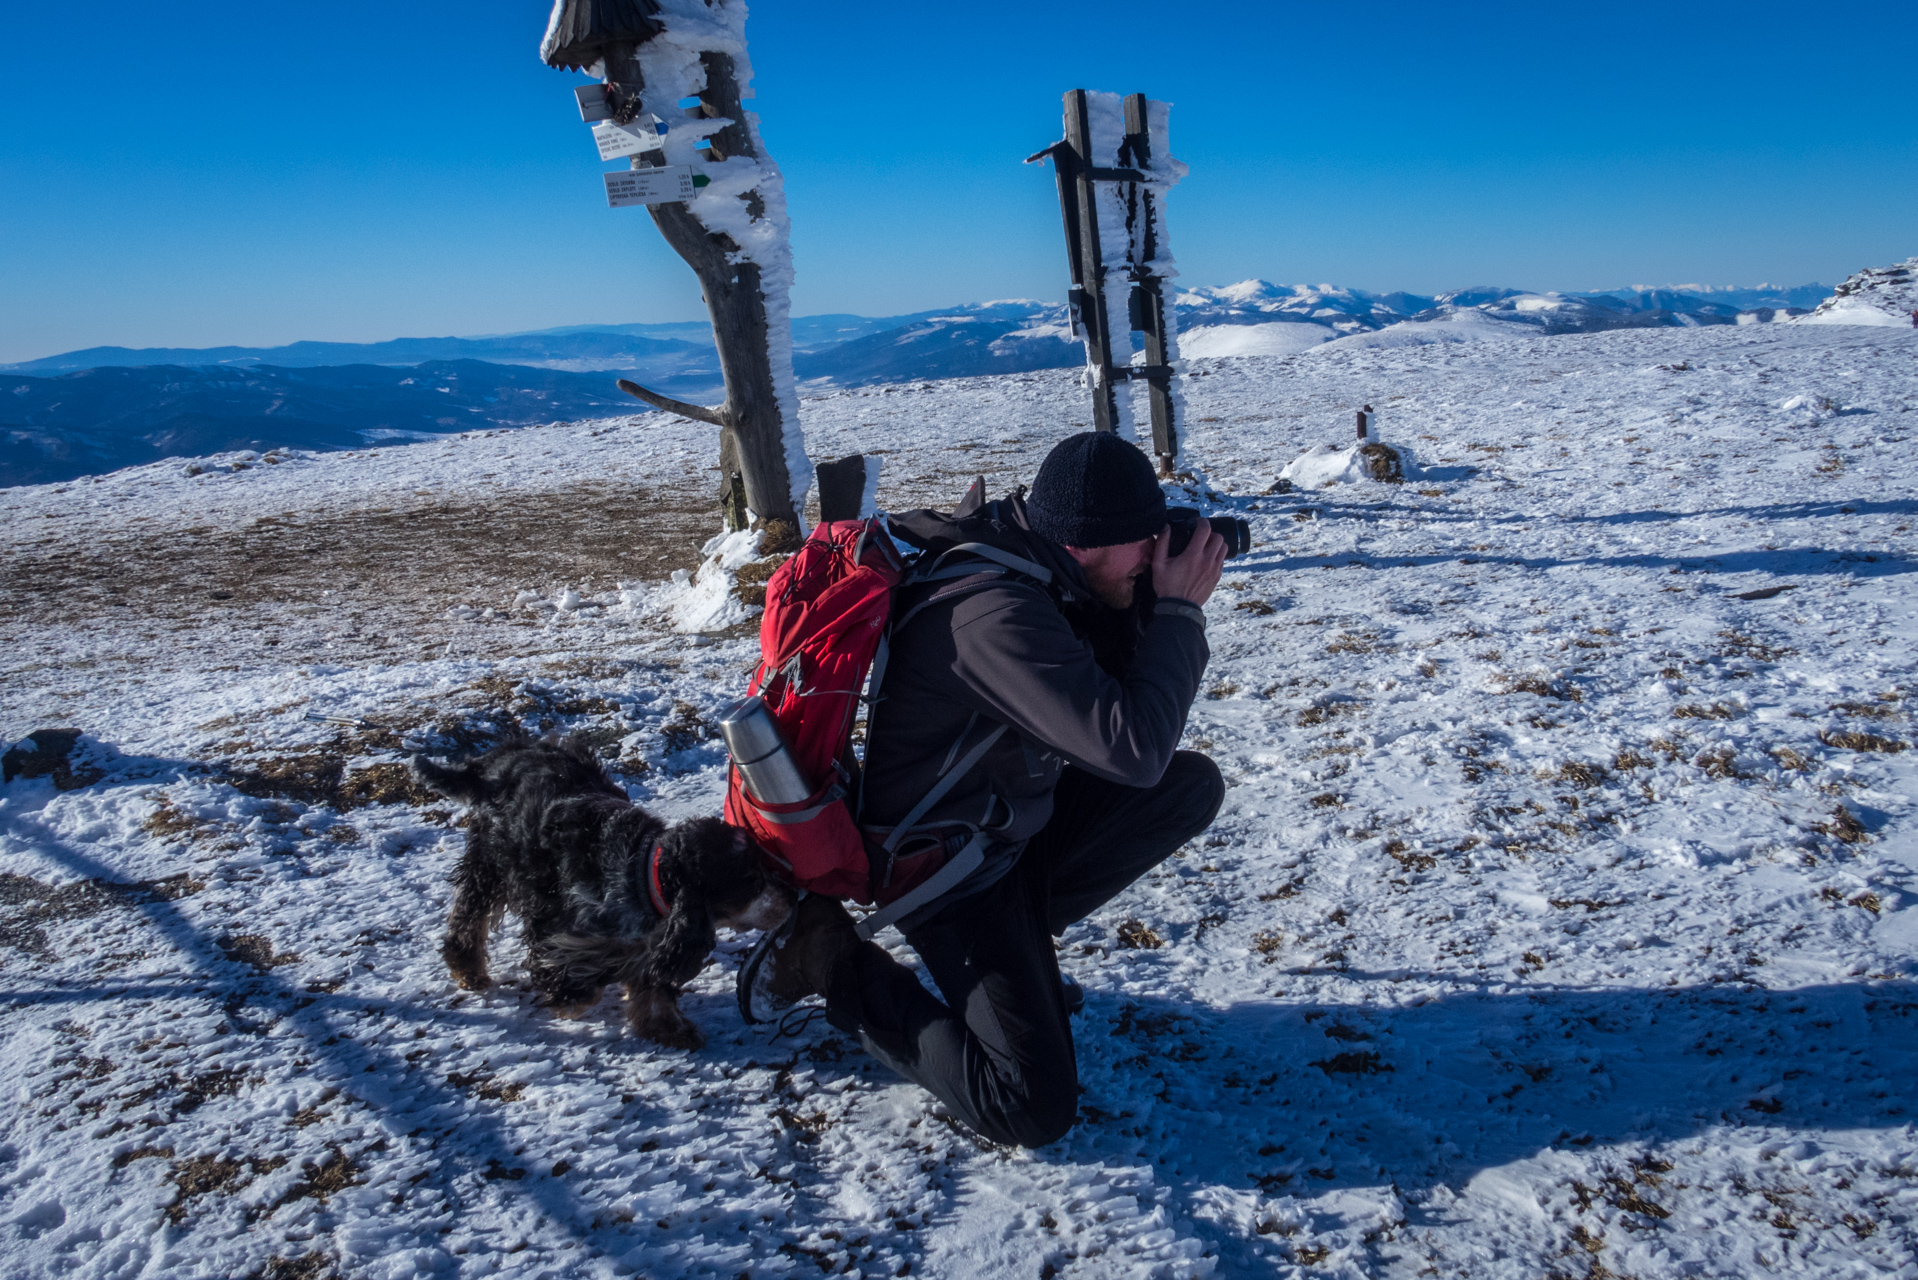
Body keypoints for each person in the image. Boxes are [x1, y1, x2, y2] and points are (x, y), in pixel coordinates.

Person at [763, 431, 1228, 1148]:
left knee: (1185, 785)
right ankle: (829, 959)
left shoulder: (1040, 563)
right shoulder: (993, 614)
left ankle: (1024, 947)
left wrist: (1144, 604)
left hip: (1004, 832)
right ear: (1085, 543)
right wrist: (1177, 612)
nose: (1154, 556)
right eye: (1145, 541)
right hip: (946, 870)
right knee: (1029, 1108)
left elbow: (1131, 728)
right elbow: (1129, 747)